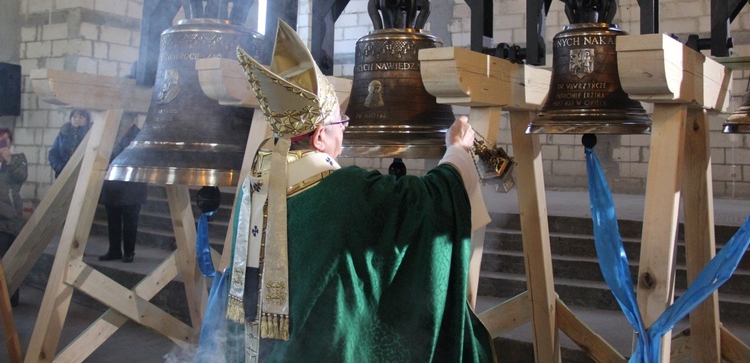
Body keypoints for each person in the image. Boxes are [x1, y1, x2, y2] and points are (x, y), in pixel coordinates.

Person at [195, 20, 495, 361]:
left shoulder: (258, 184)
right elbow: (429, 203)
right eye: (340, 123)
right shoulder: (345, 190)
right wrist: (457, 150)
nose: (346, 131)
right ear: (320, 137)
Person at [98, 121, 148, 263]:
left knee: (130, 222)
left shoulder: (139, 134)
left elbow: (126, 155)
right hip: (112, 186)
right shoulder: (110, 134)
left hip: (131, 186)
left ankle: (129, 252)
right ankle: (114, 250)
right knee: (113, 222)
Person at [0, 128, 28, 306]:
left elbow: (21, 177)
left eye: (5, 141)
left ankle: (11, 296)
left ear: (10, 142)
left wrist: (8, 159)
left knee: (9, 258)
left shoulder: (18, 158)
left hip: (10, 216)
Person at [48, 109, 91, 178]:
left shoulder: (91, 135)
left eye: (80, 117)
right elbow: (53, 154)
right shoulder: (63, 134)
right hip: (63, 174)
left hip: (83, 175)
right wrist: (60, 167)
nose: (77, 119)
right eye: (74, 117)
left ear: (86, 120)